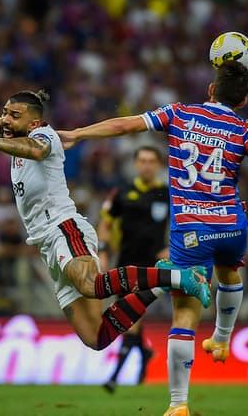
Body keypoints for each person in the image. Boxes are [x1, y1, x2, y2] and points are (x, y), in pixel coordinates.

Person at [58, 60, 248, 416]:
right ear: (243, 100)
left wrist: (79, 133)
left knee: (185, 314)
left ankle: (178, 404)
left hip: (191, 231)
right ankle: (222, 338)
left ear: (210, 89)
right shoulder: (245, 127)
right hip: (232, 226)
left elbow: (126, 124)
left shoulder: (178, 113)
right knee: (229, 272)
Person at [0, 71, 210, 353]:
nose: (6, 120)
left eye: (14, 115)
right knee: (96, 337)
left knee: (90, 285)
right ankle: (161, 284)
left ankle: (180, 277)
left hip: (64, 227)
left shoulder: (43, 135)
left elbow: (36, 152)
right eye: (6, 113)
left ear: (34, 121)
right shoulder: (15, 133)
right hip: (45, 242)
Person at [99, 145, 170, 393]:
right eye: (143, 161)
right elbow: (105, 223)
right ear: (136, 164)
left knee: (131, 318)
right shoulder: (122, 192)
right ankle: (145, 352)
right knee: (131, 317)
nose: (147, 165)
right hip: (125, 265)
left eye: (151, 161)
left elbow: (183, 226)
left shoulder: (166, 194)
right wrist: (103, 250)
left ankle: (114, 377)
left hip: (153, 269)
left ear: (158, 165)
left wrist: (172, 248)